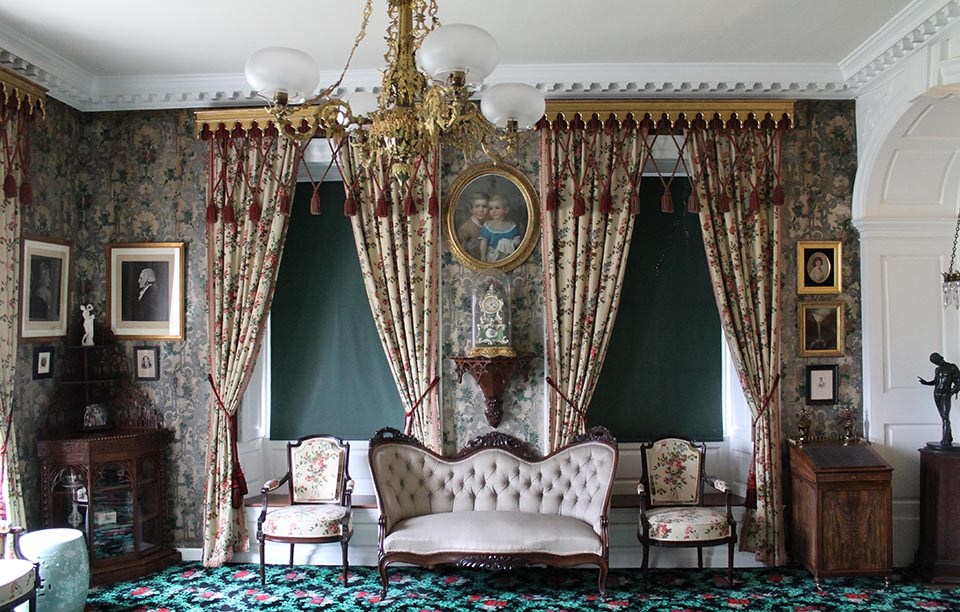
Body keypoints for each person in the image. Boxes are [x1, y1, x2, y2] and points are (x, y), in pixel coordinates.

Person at [918, 352, 960, 448]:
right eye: (934, 362)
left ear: (941, 357)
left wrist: (953, 391)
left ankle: (945, 440)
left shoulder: (952, 367)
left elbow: (959, 381)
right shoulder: (937, 369)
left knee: (945, 416)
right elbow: (936, 381)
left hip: (946, 394)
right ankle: (948, 437)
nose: (936, 363)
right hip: (937, 393)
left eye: (936, 360)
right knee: (943, 416)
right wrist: (926, 383)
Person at [478, 194, 522, 262]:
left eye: (497, 208)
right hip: (491, 257)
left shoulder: (511, 226)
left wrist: (511, 243)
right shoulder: (488, 225)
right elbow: (484, 242)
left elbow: (517, 240)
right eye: (491, 208)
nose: (494, 211)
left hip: (507, 257)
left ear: (506, 210)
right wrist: (483, 256)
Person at [458, 193, 489, 259]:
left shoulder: (488, 225)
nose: (481, 210)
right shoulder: (466, 228)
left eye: (484, 206)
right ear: (471, 209)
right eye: (477, 206)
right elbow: (462, 252)